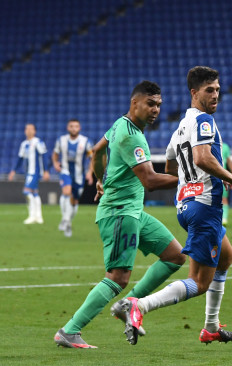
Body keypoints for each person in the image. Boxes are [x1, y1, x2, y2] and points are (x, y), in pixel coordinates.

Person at [113, 67, 232, 345]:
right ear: (194, 93)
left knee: (225, 257)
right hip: (204, 208)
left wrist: (189, 183)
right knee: (199, 282)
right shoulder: (203, 122)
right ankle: (139, 306)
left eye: (217, 90)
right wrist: (230, 178)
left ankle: (211, 326)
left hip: (186, 206)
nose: (215, 95)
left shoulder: (178, 130)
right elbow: (201, 158)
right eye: (209, 90)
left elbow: (171, 166)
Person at [54, 81, 186, 349]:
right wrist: (189, 178)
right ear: (134, 103)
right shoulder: (132, 136)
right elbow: (149, 180)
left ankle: (129, 305)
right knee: (117, 277)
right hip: (119, 213)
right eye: (150, 104)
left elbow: (97, 150)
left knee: (175, 256)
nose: (156, 110)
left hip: (133, 211)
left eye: (159, 105)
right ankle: (70, 330)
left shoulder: (120, 124)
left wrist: (100, 179)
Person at [52, 119, 93, 237]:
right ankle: (65, 219)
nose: (74, 128)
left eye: (76, 126)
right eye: (71, 126)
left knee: (74, 201)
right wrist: (55, 163)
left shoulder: (85, 141)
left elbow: (92, 159)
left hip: (79, 176)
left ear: (79, 128)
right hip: (65, 172)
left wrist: (90, 173)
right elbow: (55, 154)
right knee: (67, 191)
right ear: (68, 128)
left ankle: (68, 222)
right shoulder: (61, 140)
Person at [8, 124, 50, 224]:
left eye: (31, 129)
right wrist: (13, 170)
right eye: (27, 128)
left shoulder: (38, 142)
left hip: (35, 172)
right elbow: (20, 159)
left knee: (26, 192)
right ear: (24, 131)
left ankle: (32, 215)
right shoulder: (24, 144)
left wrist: (46, 171)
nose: (29, 130)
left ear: (35, 131)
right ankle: (39, 217)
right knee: (34, 193)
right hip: (28, 173)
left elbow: (44, 156)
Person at [220, 141, 232, 226]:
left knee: (224, 198)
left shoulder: (225, 146)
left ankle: (224, 219)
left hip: (223, 176)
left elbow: (229, 161)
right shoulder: (208, 145)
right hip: (210, 176)